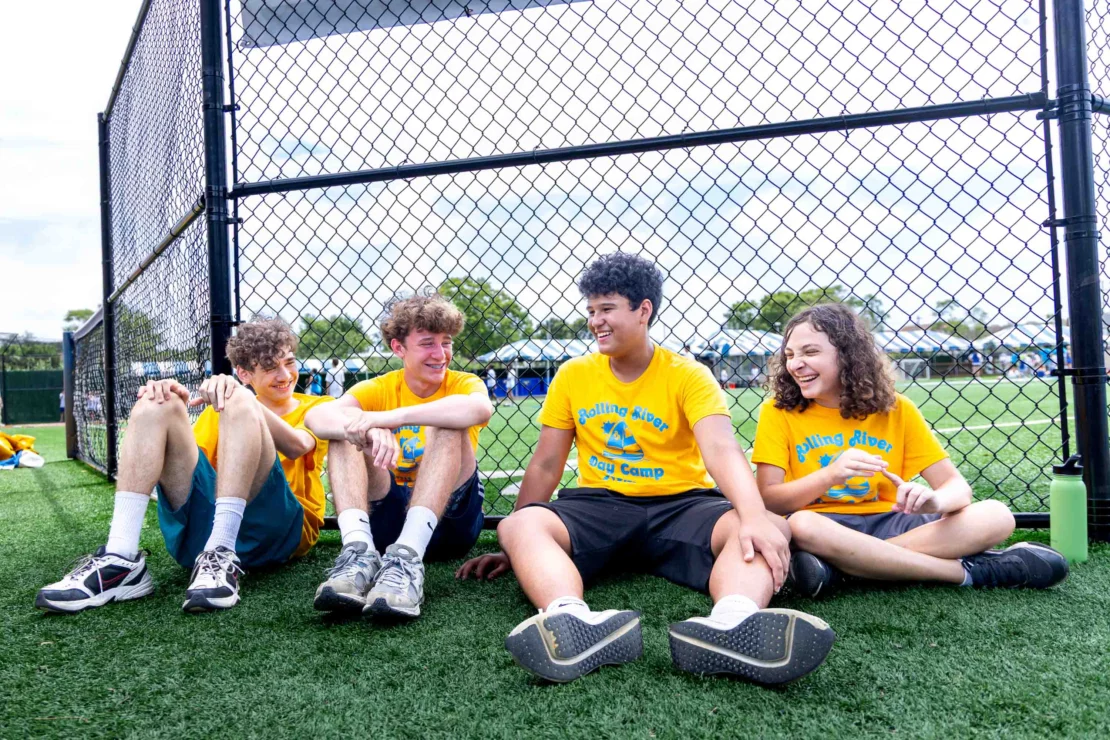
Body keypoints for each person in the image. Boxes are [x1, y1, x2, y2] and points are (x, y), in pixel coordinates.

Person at [457, 253, 834, 685]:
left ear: (643, 310)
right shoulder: (573, 374)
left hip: (683, 505)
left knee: (767, 526)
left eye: (607, 309)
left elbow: (722, 450)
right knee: (521, 525)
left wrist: (753, 518)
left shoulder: (688, 374)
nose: (596, 321)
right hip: (600, 505)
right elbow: (545, 463)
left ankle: (733, 624)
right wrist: (514, 545)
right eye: (591, 311)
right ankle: (571, 622)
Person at [751, 303, 1068, 598]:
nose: (795, 364)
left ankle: (846, 570)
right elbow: (768, 498)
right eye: (790, 354)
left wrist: (934, 500)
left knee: (997, 516)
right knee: (801, 525)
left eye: (810, 352)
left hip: (891, 522)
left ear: (847, 355)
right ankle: (965, 572)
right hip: (824, 529)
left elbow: (957, 489)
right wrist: (829, 475)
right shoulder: (778, 412)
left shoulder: (896, 409)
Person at [37, 318, 333, 613]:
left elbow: (297, 447)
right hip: (201, 537)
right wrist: (171, 398)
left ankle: (222, 551)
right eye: (270, 368)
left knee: (239, 403)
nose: (285, 375)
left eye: (290, 363)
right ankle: (120, 557)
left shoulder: (317, 406)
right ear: (244, 373)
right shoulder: (220, 410)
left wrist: (241, 397)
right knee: (159, 401)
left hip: (279, 534)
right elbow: (189, 472)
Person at [305, 294, 491, 619]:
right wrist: (364, 428)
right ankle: (358, 552)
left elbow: (479, 408)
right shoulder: (378, 387)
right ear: (398, 348)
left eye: (446, 343)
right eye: (427, 343)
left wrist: (388, 419)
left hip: (451, 522)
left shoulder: (463, 383)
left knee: (446, 422)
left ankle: (408, 558)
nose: (441, 354)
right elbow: (316, 419)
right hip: (388, 518)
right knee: (345, 431)